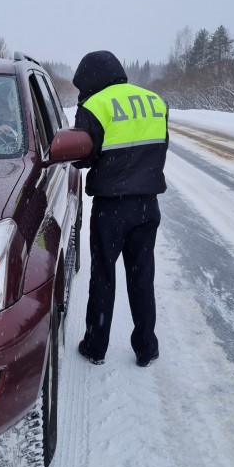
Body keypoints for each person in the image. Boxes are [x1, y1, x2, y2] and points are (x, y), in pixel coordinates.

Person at [71, 50, 168, 368]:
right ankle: (146, 348)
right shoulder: (154, 101)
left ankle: (95, 347)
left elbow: (83, 157)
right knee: (143, 277)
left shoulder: (95, 106)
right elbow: (160, 146)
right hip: (147, 206)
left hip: (110, 208)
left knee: (103, 277)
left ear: (90, 79)